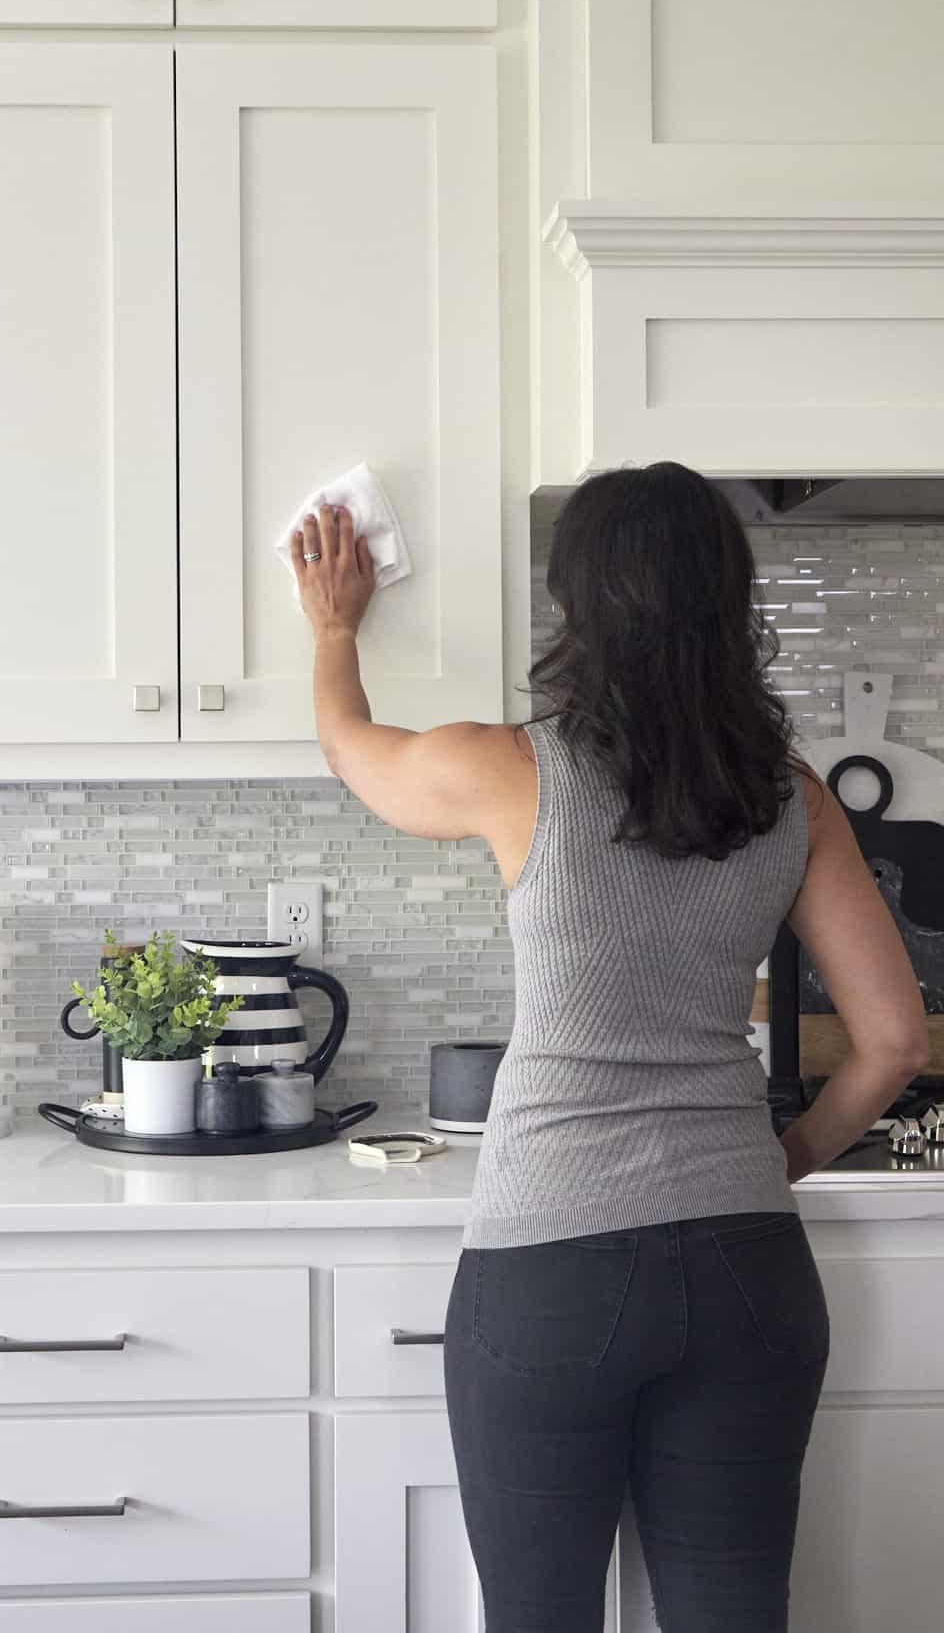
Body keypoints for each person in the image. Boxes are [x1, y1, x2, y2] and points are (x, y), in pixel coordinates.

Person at [290, 461, 929, 1633]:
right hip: (748, 1268)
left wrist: (337, 629)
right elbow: (892, 1042)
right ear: (728, 599)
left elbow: (351, 747)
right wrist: (773, 1156)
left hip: (551, 1270)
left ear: (579, 602)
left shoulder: (513, 766)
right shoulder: (793, 800)